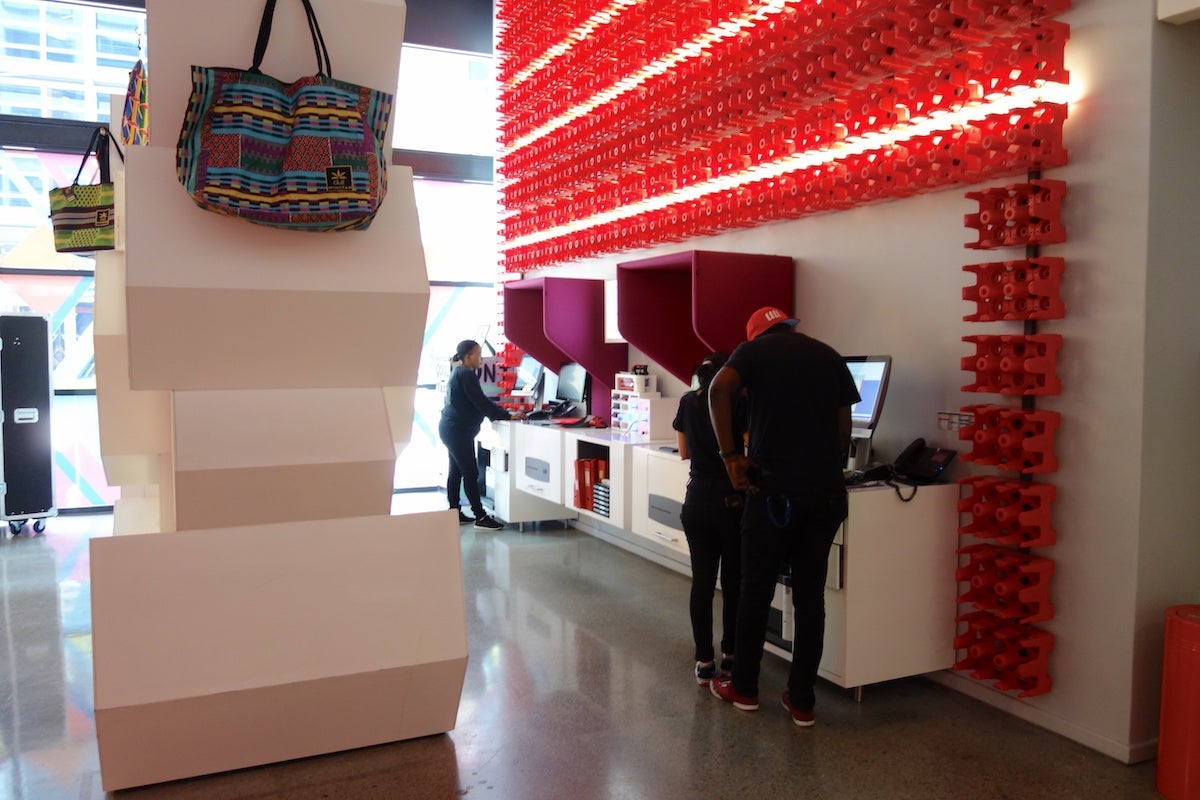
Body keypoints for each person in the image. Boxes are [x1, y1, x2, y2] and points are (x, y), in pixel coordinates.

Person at [707, 306, 859, 727]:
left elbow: (718, 391)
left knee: (755, 590)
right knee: (811, 597)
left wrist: (731, 457)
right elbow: (844, 428)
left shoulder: (752, 353)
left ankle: (745, 688)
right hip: (824, 495)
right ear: (790, 327)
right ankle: (803, 701)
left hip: (772, 493)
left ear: (756, 335)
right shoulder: (829, 355)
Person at [673, 352, 746, 687]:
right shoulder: (737, 403)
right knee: (733, 582)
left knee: (702, 582)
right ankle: (731, 655)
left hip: (697, 500)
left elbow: (684, 452)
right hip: (731, 500)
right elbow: (747, 447)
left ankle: (704, 661)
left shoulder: (687, 402)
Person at [440, 339, 525, 531]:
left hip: (451, 429)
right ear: (468, 356)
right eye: (478, 355)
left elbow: (477, 402)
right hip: (457, 431)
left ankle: (454, 513)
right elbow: (481, 401)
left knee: (456, 471)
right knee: (470, 473)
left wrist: (501, 413)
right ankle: (480, 516)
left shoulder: (458, 371)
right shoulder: (466, 374)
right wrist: (507, 415)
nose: (481, 358)